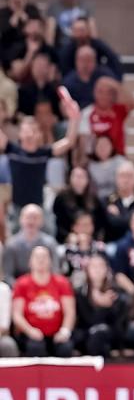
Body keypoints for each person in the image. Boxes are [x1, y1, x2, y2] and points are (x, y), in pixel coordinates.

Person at [7, 89, 80, 217]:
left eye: (33, 130)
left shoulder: (43, 153)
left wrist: (74, 118)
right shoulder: (13, 150)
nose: (30, 133)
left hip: (39, 208)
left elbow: (69, 141)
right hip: (17, 208)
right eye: (26, 130)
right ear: (20, 133)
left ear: (38, 134)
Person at [11, 246, 74, 357]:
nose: (41, 260)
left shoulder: (62, 282)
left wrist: (64, 331)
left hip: (56, 334)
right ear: (30, 261)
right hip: (30, 334)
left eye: (44, 257)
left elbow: (70, 312)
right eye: (37, 257)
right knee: (35, 348)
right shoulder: (21, 284)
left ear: (50, 261)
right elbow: (17, 314)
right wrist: (30, 331)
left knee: (66, 348)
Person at [72, 253, 126, 357]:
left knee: (101, 332)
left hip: (108, 336)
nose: (97, 270)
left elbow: (118, 324)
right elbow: (87, 321)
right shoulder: (80, 293)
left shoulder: (116, 293)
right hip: (85, 336)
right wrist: (101, 303)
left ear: (107, 269)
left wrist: (105, 307)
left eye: (101, 266)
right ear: (87, 270)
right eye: (93, 266)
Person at [3, 204, 59, 285]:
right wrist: (22, 289)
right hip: (20, 288)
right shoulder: (11, 244)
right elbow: (8, 275)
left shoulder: (50, 243)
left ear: (42, 221)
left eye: (35, 218)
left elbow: (55, 270)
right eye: (28, 217)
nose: (31, 221)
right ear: (21, 219)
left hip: (46, 287)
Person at [100, 160, 134, 243]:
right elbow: (110, 225)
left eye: (129, 176)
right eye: (122, 176)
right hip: (112, 244)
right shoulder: (106, 201)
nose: (125, 180)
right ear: (116, 178)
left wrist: (118, 217)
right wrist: (133, 219)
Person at [52, 166, 101, 244]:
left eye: (82, 177)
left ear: (87, 179)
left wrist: (91, 238)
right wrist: (68, 236)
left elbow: (99, 222)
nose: (79, 180)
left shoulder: (94, 199)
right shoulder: (61, 198)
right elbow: (57, 222)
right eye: (76, 176)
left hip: (91, 240)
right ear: (70, 178)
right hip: (67, 240)